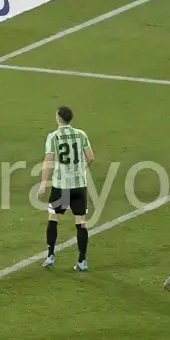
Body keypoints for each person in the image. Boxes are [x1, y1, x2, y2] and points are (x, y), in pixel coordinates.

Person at [36, 106, 95, 271]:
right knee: (81, 224)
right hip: (79, 186)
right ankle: (82, 261)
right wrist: (79, 169)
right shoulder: (81, 134)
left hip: (61, 186)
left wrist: (42, 184)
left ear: (58, 118)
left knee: (53, 219)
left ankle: (50, 255)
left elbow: (48, 162)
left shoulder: (53, 137)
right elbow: (90, 157)